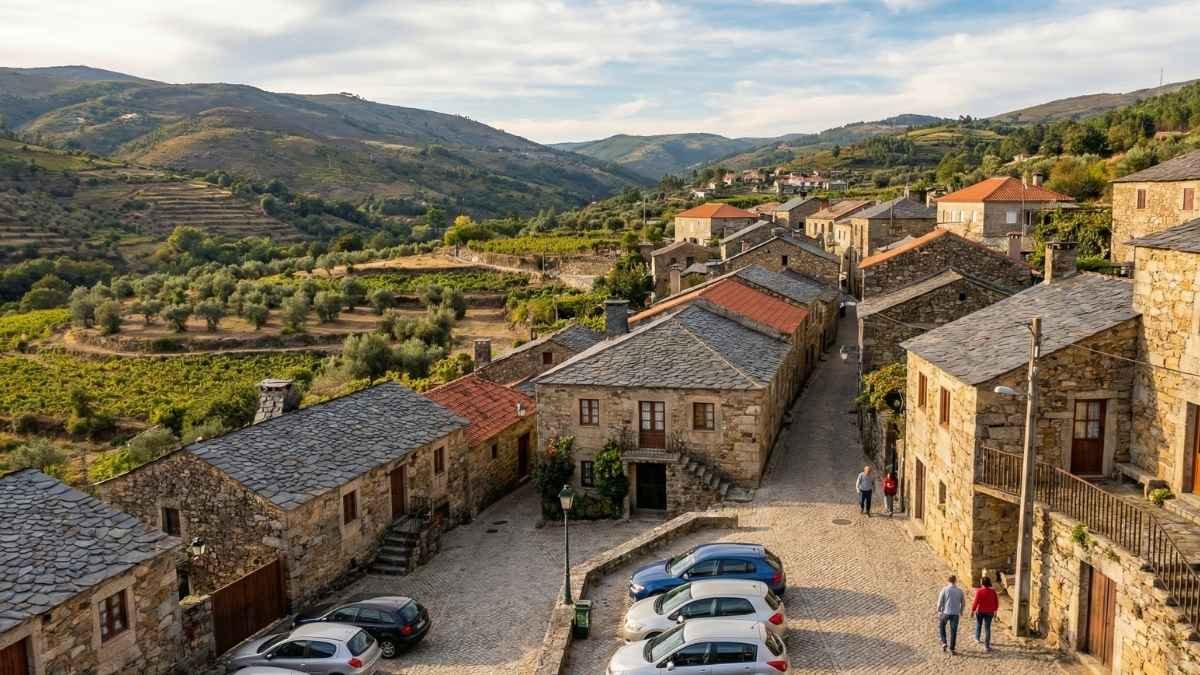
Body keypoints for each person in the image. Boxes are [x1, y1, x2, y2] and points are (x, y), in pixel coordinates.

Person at [937, 575, 964, 655]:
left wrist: (938, 610)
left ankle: (944, 642)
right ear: (955, 581)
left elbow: (940, 601)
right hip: (955, 613)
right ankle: (952, 648)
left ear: (948, 581)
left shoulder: (944, 590)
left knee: (942, 626)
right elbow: (963, 603)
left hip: (945, 612)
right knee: (953, 631)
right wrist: (961, 611)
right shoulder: (959, 591)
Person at [972, 577, 999, 652]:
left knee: (979, 624)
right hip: (990, 612)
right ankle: (987, 646)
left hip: (980, 611)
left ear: (982, 583)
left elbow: (976, 602)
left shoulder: (979, 591)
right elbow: (996, 602)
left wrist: (973, 610)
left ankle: (977, 638)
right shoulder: (993, 591)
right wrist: (995, 611)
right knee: (987, 628)